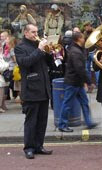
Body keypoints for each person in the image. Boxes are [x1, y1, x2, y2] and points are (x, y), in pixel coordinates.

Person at [14, 24, 53, 159]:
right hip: (31, 90)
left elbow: (50, 65)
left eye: (37, 31)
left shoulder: (39, 46)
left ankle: (38, 146)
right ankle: (29, 148)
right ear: (26, 33)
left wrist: (50, 52)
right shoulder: (20, 47)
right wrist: (39, 49)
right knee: (31, 121)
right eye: (33, 32)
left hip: (44, 89)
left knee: (42, 121)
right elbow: (25, 63)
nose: (36, 34)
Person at [58, 32, 97, 132]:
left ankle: (89, 122)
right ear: (79, 39)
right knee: (67, 103)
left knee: (84, 102)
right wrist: (89, 82)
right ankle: (62, 125)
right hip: (73, 82)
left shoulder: (78, 49)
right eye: (83, 38)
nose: (84, 39)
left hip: (77, 82)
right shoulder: (76, 52)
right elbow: (79, 69)